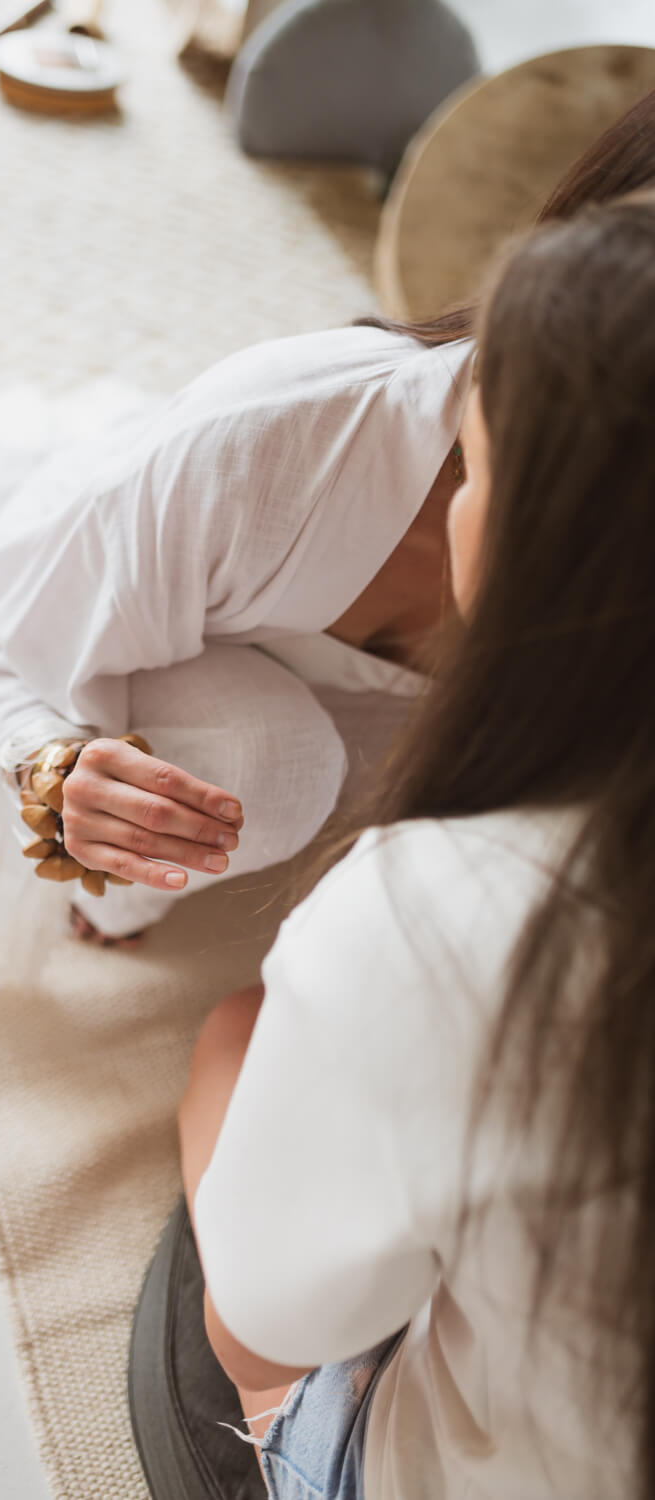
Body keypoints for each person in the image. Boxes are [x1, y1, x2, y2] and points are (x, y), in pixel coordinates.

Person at [0, 90, 655, 956]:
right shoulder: (284, 439)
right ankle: (127, 890)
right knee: (272, 770)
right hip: (163, 637)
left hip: (380, 737)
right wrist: (53, 765)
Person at [169, 192, 655, 1500]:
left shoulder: (441, 920)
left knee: (227, 1036)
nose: (445, 511)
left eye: (474, 470)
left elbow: (261, 1326)